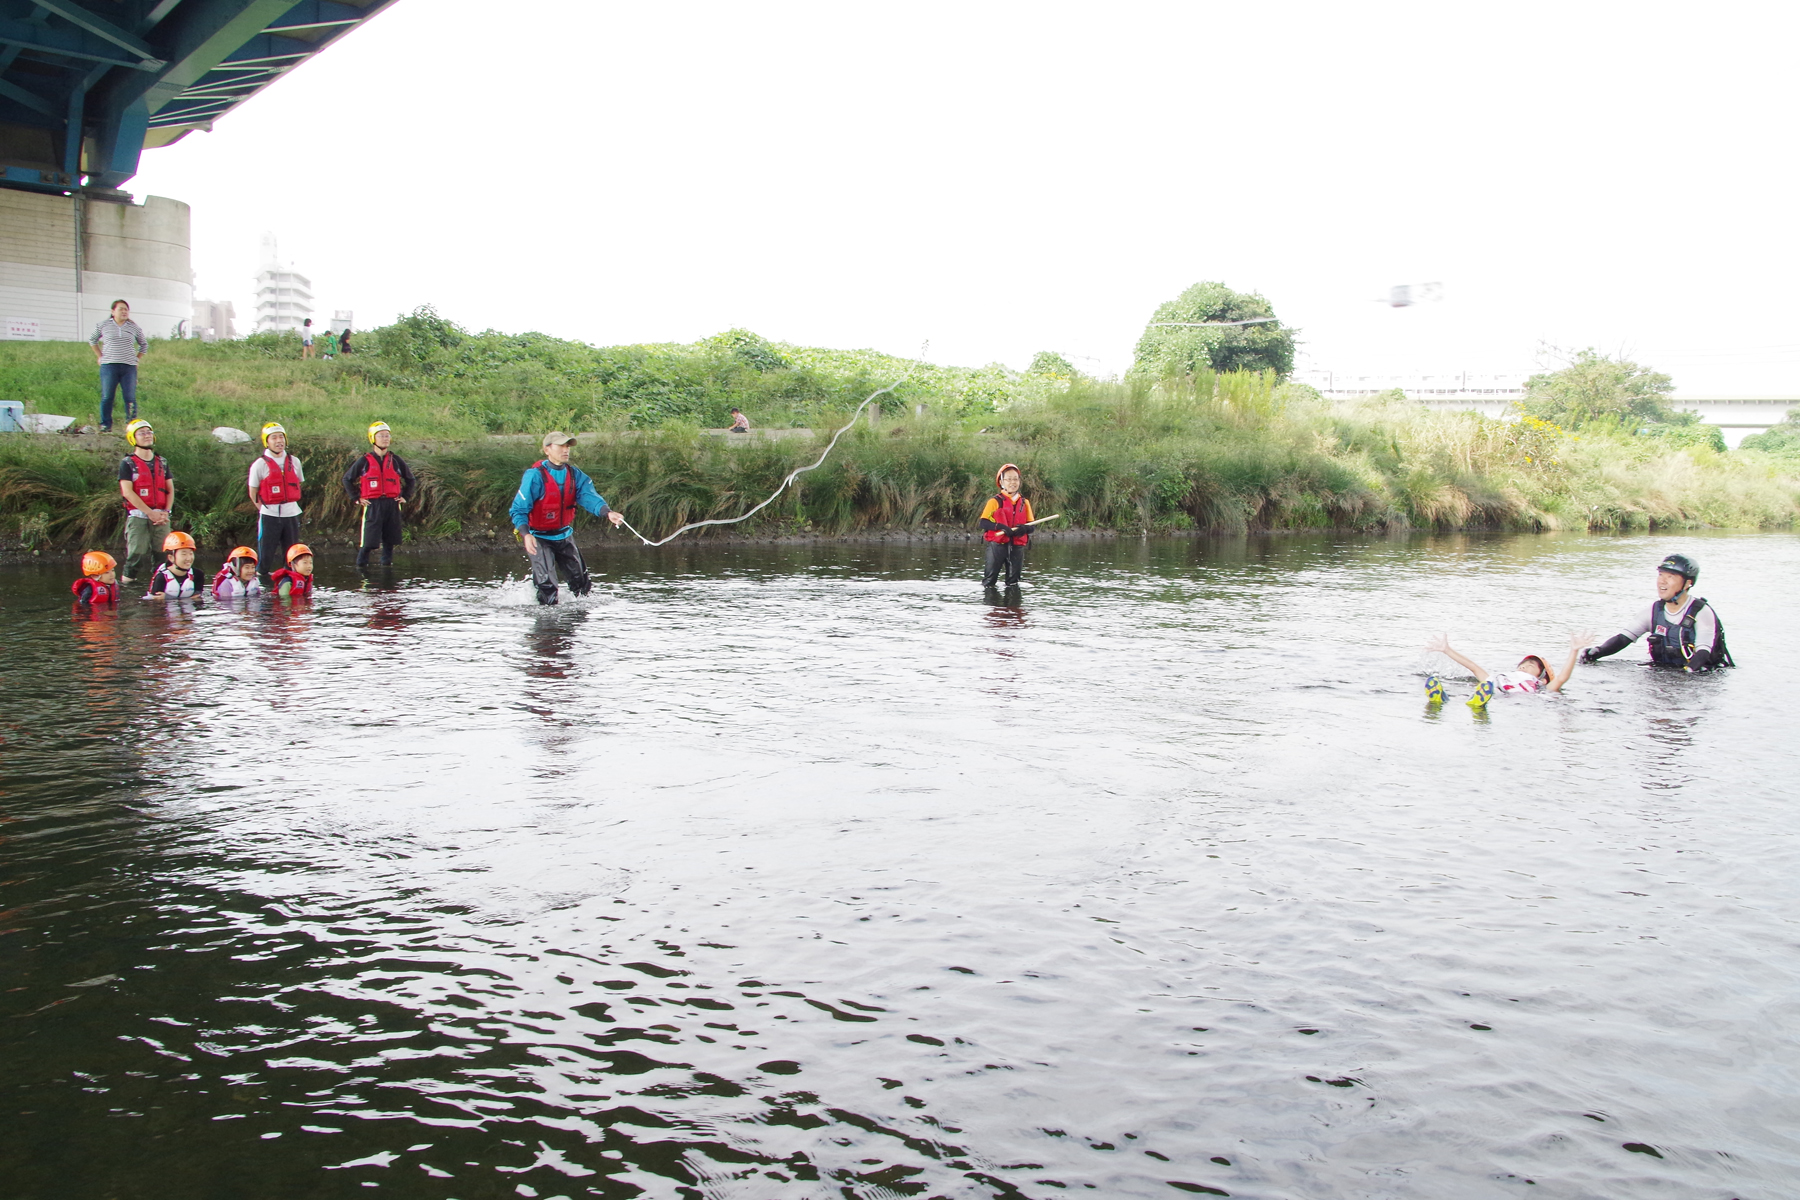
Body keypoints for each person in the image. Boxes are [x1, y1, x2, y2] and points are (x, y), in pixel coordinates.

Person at [509, 431, 625, 606]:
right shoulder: (535, 476)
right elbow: (518, 509)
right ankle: (547, 628)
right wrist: (525, 534)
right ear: (547, 449)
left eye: (567, 446)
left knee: (581, 585)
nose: (566, 450)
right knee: (547, 587)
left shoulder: (575, 474)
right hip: (538, 537)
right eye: (561, 446)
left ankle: (579, 625)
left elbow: (589, 496)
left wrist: (607, 513)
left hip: (564, 536)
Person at [1581, 552, 1733, 671]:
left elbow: (1703, 652)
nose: (1662, 581)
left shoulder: (1702, 612)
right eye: (1661, 575)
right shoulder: (1653, 611)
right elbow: (1623, 639)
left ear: (1688, 583)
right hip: (1665, 672)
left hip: (1696, 676)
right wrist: (1597, 652)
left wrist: (1687, 673)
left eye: (1670, 577)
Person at [1425, 630, 1593, 708]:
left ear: (1542, 678)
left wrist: (1574, 650)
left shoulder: (1541, 686)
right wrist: (1447, 650)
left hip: (1511, 698)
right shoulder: (1501, 677)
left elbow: (1562, 678)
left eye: (1531, 666)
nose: (1525, 666)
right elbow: (1473, 667)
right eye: (1523, 664)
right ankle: (1443, 698)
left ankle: (1477, 701)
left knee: (1485, 693)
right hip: (1492, 689)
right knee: (1473, 692)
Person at [342, 420, 417, 568]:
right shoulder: (364, 461)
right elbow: (347, 479)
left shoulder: (395, 460)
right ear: (373, 438)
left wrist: (405, 496)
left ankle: (387, 573)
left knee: (390, 541)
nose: (385, 438)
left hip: (392, 503)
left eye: (387, 435)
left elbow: (411, 479)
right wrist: (356, 498)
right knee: (368, 543)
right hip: (373, 504)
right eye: (381, 435)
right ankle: (362, 570)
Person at [116, 418, 173, 586]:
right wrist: (150, 513)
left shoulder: (162, 462)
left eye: (149, 432)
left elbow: (170, 489)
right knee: (136, 554)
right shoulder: (127, 463)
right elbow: (127, 491)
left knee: (164, 555)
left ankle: (160, 588)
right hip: (138, 516)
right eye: (142, 433)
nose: (147, 435)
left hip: (162, 516)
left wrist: (165, 512)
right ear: (133, 438)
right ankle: (127, 588)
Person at [248, 422, 304, 580]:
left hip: (291, 513)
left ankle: (289, 584)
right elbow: (253, 491)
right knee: (266, 554)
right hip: (269, 514)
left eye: (281, 437)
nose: (279, 441)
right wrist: (263, 508)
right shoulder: (259, 464)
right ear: (267, 441)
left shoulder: (295, 461)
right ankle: (262, 585)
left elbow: (298, 483)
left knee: (291, 555)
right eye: (274, 438)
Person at [90, 299, 147, 432]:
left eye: (126, 309)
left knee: (130, 397)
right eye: (121, 309)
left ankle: (132, 426)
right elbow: (92, 340)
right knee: (107, 396)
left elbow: (144, 344)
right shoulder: (103, 325)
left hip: (128, 367)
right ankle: (105, 424)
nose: (124, 311)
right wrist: (100, 355)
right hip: (109, 365)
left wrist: (137, 359)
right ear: (113, 311)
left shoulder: (134, 327)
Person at [978, 463, 1035, 589]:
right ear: (1001, 482)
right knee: (990, 581)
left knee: (1013, 582)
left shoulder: (1024, 503)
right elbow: (983, 522)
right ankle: (991, 605)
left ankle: (1012, 607)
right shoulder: (994, 501)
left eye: (1015, 479)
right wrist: (1001, 526)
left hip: (1017, 546)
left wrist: (1024, 529)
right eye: (1008, 479)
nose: (1012, 482)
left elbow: (1032, 526)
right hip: (997, 545)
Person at [145, 531, 202, 599]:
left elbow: (197, 599)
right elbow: (156, 603)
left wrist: (167, 597)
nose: (189, 558)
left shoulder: (198, 574)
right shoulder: (161, 577)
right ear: (171, 558)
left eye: (191, 553)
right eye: (184, 554)